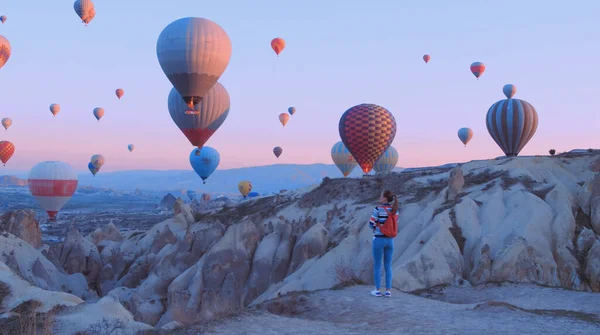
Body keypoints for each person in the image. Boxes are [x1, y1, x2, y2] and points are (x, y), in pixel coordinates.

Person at [369, 190, 399, 297]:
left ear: (385, 198)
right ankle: (388, 291)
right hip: (390, 240)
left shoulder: (378, 209)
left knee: (377, 265)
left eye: (381, 196)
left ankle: (377, 290)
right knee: (388, 266)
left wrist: (377, 225)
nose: (379, 198)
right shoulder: (395, 210)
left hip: (379, 239)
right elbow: (395, 224)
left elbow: (371, 224)